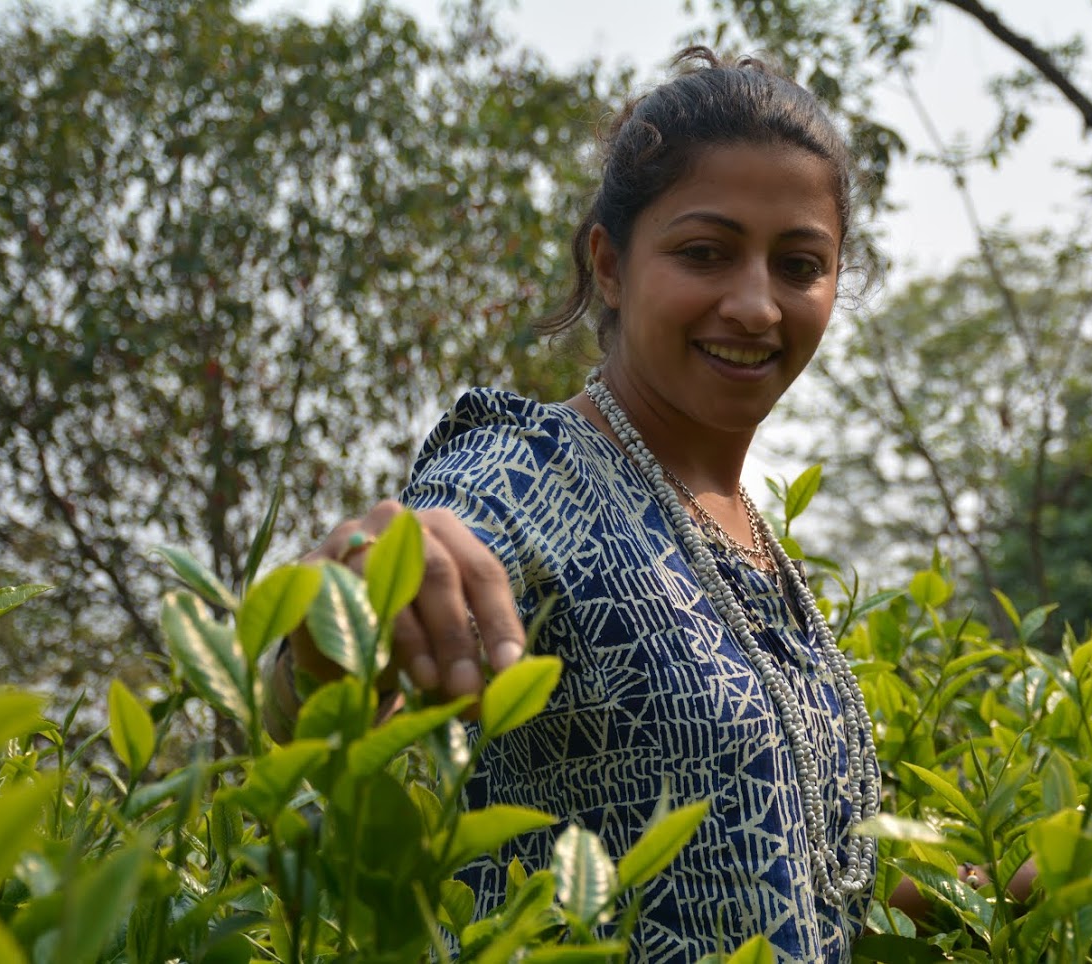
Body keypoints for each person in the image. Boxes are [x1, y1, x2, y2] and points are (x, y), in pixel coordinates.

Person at [263, 47, 882, 962]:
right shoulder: (531, 471)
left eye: (799, 264)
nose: (756, 305)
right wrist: (351, 596)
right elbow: (308, 696)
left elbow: (791, 878)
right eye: (705, 252)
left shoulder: (749, 542)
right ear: (610, 265)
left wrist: (1003, 890)